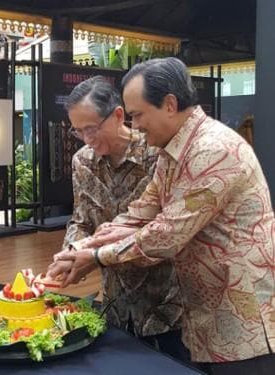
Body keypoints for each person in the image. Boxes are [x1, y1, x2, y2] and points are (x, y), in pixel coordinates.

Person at [48, 57, 275, 374]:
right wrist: (79, 251)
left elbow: (165, 236)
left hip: (238, 321)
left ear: (169, 104)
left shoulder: (212, 150)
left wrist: (96, 257)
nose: (135, 124)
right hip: (202, 316)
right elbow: (139, 214)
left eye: (138, 114)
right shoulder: (173, 151)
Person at [49, 76, 187, 361]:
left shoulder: (158, 155)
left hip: (167, 305)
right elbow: (81, 220)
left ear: (118, 115)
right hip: (114, 304)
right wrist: (71, 253)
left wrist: (95, 256)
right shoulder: (82, 161)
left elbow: (167, 230)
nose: (87, 139)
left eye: (91, 129)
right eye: (78, 131)